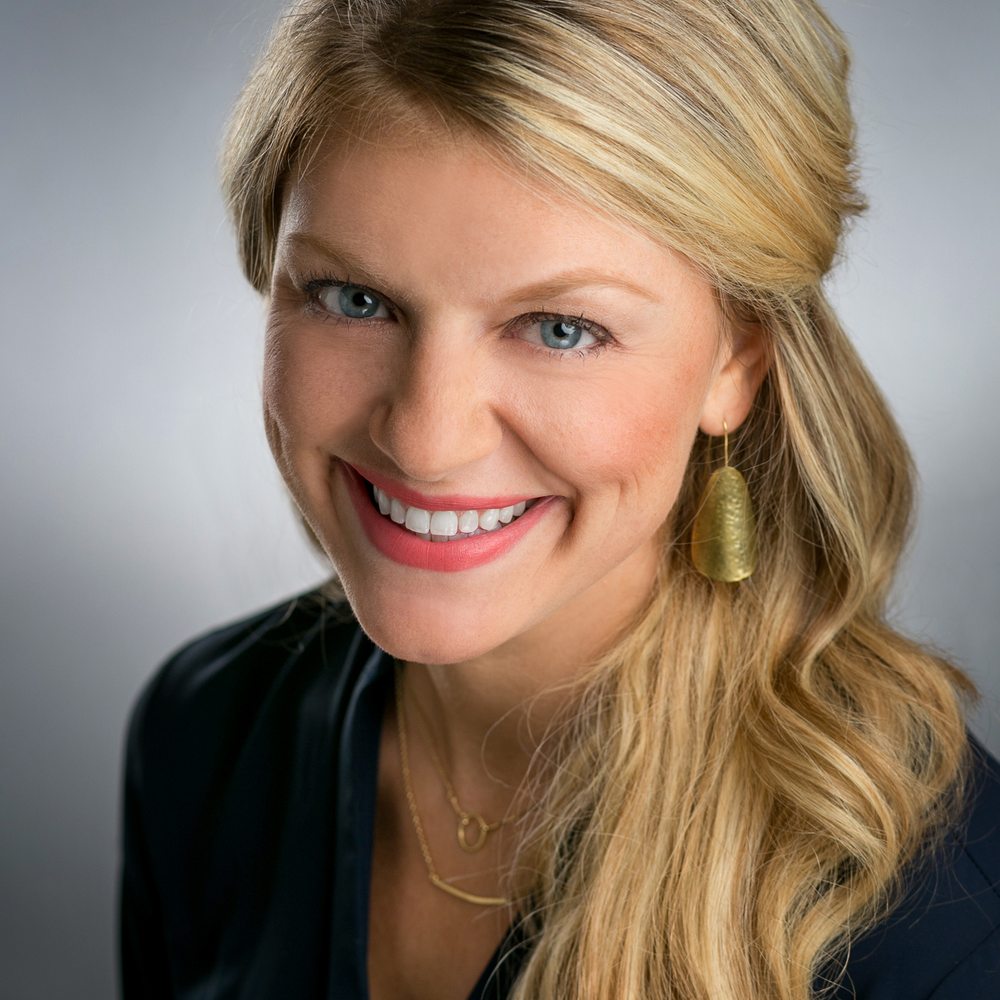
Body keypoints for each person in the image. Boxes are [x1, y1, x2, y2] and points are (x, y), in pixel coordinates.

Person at [118, 1, 1000, 998]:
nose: (426, 442)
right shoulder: (204, 734)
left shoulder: (938, 927)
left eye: (559, 329)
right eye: (354, 300)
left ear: (737, 362)